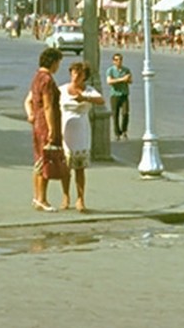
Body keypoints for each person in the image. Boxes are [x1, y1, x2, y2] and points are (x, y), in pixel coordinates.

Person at [25, 47, 68, 211]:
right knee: (47, 160)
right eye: (58, 62)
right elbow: (48, 106)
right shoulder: (47, 80)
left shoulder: (37, 77)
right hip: (46, 123)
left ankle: (37, 197)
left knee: (38, 160)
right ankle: (43, 199)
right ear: (53, 62)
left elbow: (29, 100)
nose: (58, 66)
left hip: (37, 123)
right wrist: (52, 129)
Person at [59, 62, 104, 213]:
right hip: (65, 130)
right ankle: (65, 196)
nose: (75, 76)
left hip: (81, 131)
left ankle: (80, 199)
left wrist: (85, 98)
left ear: (84, 76)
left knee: (79, 168)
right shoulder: (63, 90)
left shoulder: (89, 90)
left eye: (79, 74)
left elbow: (101, 100)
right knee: (65, 168)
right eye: (73, 73)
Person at [106, 53, 132, 141]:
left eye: (120, 59)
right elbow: (109, 81)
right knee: (115, 114)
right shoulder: (110, 70)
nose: (119, 61)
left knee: (125, 113)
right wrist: (122, 80)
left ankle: (124, 130)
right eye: (116, 60)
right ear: (113, 61)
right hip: (115, 95)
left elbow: (130, 80)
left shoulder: (126, 70)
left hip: (124, 94)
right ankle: (117, 133)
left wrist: (126, 80)